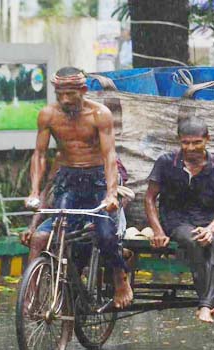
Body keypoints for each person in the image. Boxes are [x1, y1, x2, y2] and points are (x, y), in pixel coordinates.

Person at [25, 66, 133, 309]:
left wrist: (111, 192)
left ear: (83, 90)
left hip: (97, 180)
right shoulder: (48, 115)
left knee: (105, 234)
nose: (65, 100)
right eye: (60, 94)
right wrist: (33, 191)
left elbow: (109, 156)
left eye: (70, 94)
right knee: (51, 234)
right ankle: (30, 298)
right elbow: (39, 155)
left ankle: (119, 276)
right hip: (69, 181)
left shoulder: (99, 114)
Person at [144, 116, 214, 323]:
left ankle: (205, 305)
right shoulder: (166, 162)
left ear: (207, 140)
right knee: (193, 240)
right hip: (178, 221)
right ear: (179, 141)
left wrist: (211, 229)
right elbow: (150, 198)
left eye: (197, 142)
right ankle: (211, 304)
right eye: (185, 143)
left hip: (212, 220)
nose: (191, 147)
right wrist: (158, 230)